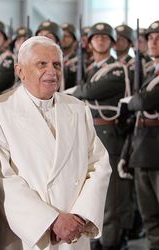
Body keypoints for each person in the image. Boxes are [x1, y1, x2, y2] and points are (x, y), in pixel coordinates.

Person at [0, 36, 112, 250]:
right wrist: (52, 221)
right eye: (42, 64)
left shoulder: (77, 108)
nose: (52, 70)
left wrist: (81, 215)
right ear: (20, 71)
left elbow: (99, 164)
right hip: (26, 233)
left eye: (56, 64)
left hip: (72, 232)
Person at [73, 23, 133, 250]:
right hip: (89, 131)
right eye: (95, 37)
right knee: (91, 189)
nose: (100, 40)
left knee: (111, 194)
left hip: (108, 132)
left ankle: (111, 241)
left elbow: (88, 91)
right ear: (89, 43)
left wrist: (79, 90)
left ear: (112, 42)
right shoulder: (90, 68)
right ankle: (97, 238)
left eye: (105, 37)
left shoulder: (117, 68)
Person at [122, 20, 159, 250]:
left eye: (158, 37)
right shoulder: (150, 74)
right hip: (143, 150)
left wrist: (132, 102)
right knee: (150, 217)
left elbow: (146, 101)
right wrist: (128, 153)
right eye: (151, 37)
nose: (153, 41)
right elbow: (138, 117)